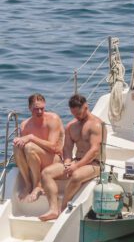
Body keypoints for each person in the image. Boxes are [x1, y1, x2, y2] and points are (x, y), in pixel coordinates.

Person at [39, 94, 103, 222]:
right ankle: (53, 209)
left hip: (94, 164)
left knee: (76, 176)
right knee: (46, 173)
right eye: (74, 114)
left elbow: (94, 151)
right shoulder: (71, 126)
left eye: (79, 113)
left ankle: (62, 209)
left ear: (86, 107)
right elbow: (67, 148)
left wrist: (76, 166)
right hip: (76, 160)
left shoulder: (96, 125)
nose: (77, 117)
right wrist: (68, 162)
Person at [13, 93, 64, 203]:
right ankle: (28, 184)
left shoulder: (53, 119)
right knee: (17, 147)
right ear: (29, 108)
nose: (40, 112)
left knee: (30, 147)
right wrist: (18, 141)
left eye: (42, 108)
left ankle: (38, 185)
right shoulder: (24, 125)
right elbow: (23, 151)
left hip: (54, 159)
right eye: (36, 109)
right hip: (35, 159)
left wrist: (31, 138)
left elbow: (54, 148)